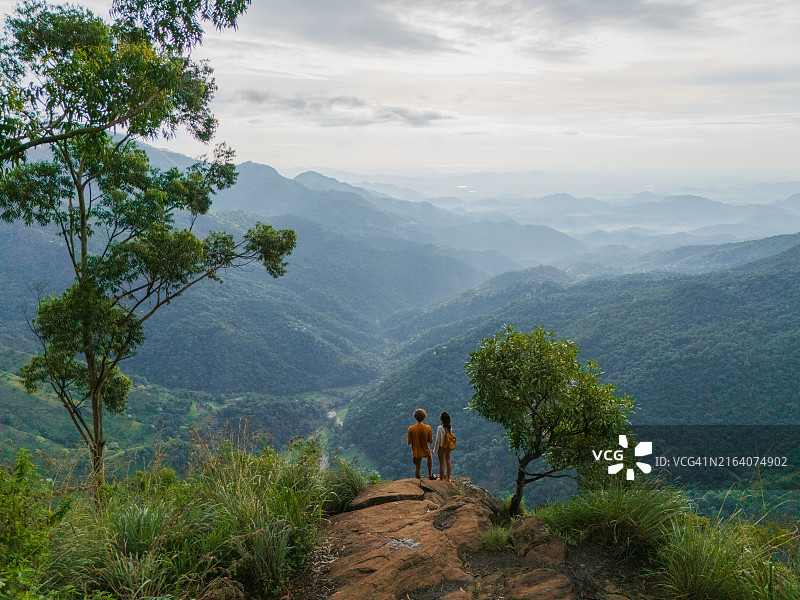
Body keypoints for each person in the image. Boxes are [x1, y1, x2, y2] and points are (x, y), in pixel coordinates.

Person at [407, 408, 433, 482]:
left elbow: (409, 442)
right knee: (429, 457)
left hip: (416, 451)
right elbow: (430, 441)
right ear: (424, 417)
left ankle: (418, 481)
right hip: (425, 449)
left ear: (415, 417)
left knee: (417, 467)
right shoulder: (428, 428)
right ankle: (430, 474)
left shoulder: (411, 429)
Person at [433, 411, 454, 482]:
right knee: (448, 461)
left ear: (441, 419)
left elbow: (438, 440)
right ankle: (448, 478)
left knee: (441, 463)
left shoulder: (440, 428)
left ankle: (441, 478)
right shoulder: (449, 427)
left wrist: (435, 450)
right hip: (448, 446)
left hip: (442, 447)